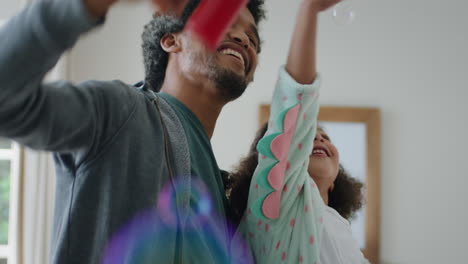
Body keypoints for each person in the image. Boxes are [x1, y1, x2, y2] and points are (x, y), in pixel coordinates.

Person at [0, 0, 265, 263]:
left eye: (253, 41)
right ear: (171, 41)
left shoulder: (227, 198)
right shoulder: (120, 111)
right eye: (227, 23)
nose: (244, 39)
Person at [226, 0, 371, 263]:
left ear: (338, 178)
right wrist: (310, 9)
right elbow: (293, 116)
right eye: (310, 135)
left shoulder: (339, 227)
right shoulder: (271, 208)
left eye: (325, 136)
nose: (318, 137)